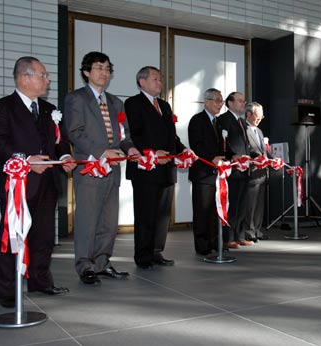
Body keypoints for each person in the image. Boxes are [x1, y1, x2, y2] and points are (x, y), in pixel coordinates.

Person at [0, 56, 76, 308]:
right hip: (17, 184)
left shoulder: (49, 110)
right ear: (24, 77)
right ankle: (6, 291)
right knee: (12, 236)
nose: (47, 80)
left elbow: (61, 141)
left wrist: (66, 156)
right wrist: (26, 161)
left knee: (44, 236)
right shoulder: (0, 107)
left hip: (47, 183)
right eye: (43, 75)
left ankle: (41, 281)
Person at [64, 51, 140, 285]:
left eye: (107, 68)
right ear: (86, 72)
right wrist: (100, 152)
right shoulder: (76, 98)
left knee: (109, 221)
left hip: (113, 170)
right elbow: (74, 132)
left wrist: (131, 149)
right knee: (88, 220)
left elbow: (124, 135)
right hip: (89, 168)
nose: (104, 72)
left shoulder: (116, 102)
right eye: (99, 68)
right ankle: (85, 265)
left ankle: (102, 263)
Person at [125, 66, 193, 269]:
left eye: (160, 79)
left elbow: (171, 136)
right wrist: (154, 152)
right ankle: (143, 256)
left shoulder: (164, 105)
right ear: (142, 82)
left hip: (167, 168)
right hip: (146, 168)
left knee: (163, 215)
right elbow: (134, 134)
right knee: (145, 213)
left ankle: (156, 251)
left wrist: (183, 150)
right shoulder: (132, 103)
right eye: (155, 79)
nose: (160, 83)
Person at [188, 88, 225, 255]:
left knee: (213, 210)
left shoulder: (218, 122)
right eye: (217, 100)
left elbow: (223, 146)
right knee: (202, 211)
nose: (220, 104)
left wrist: (235, 156)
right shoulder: (197, 120)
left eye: (221, 101)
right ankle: (202, 245)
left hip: (216, 174)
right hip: (202, 174)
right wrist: (212, 158)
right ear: (207, 101)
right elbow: (197, 145)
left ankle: (213, 242)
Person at [217, 91, 253, 248]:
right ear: (229, 103)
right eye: (239, 101)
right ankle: (228, 238)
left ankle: (239, 235)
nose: (243, 104)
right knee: (231, 205)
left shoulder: (242, 122)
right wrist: (233, 156)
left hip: (244, 168)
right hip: (233, 168)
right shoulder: (224, 120)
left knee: (242, 204)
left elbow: (246, 145)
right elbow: (224, 144)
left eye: (244, 101)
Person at [244, 102, 271, 242]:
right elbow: (246, 150)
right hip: (252, 172)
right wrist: (258, 158)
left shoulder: (259, 131)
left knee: (260, 204)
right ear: (248, 114)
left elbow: (264, 151)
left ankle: (257, 230)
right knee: (250, 204)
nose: (259, 119)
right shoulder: (243, 129)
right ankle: (248, 231)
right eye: (257, 116)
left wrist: (272, 159)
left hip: (262, 173)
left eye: (262, 116)